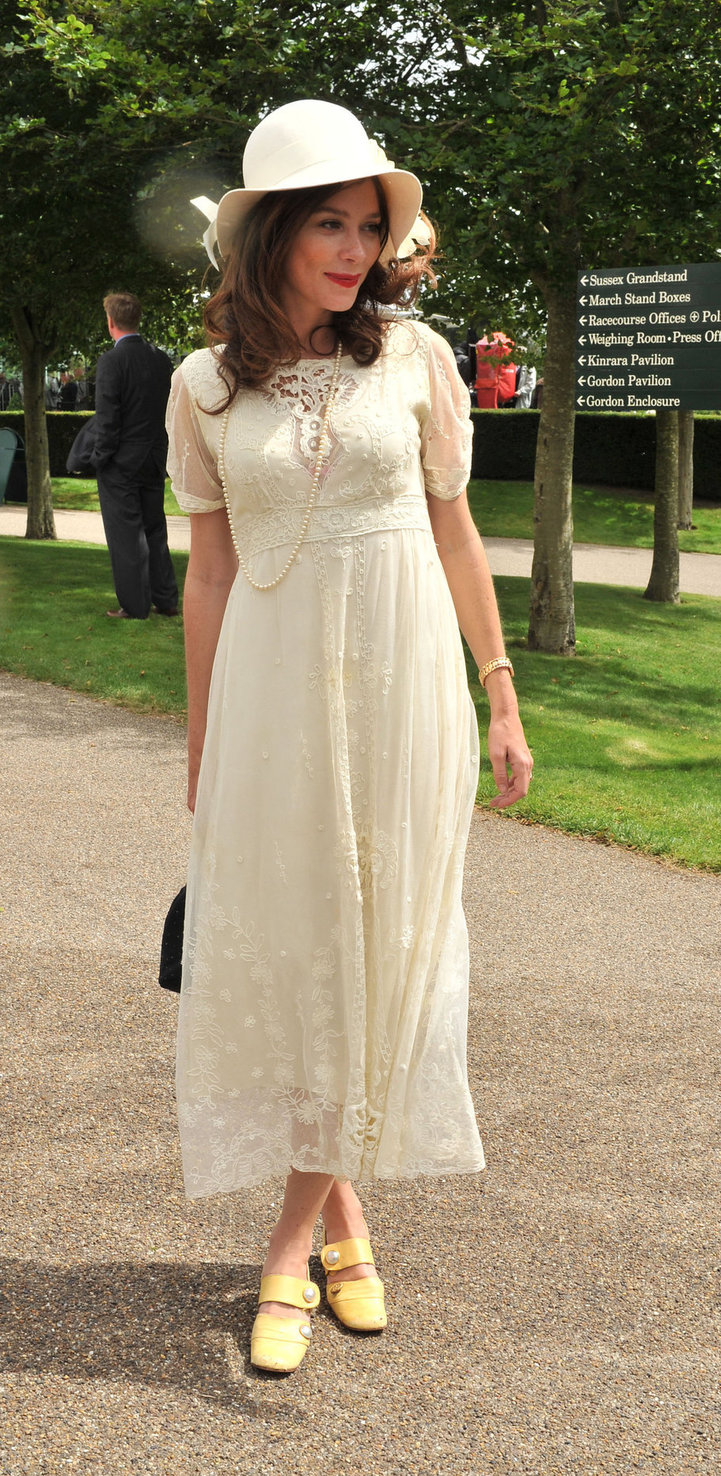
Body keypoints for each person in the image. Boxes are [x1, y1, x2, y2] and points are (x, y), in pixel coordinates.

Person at [166, 98, 533, 1375]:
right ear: (269, 235)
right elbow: (210, 575)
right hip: (270, 695)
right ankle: (342, 1222)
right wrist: (203, 744)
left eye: (369, 228)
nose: (355, 249)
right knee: (301, 948)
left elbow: (454, 533)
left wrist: (499, 690)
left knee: (387, 943)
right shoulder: (202, 385)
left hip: (405, 686)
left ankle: (288, 1244)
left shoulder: (417, 358)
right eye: (329, 223)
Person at [91, 292, 178, 619]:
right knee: (155, 529)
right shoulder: (161, 360)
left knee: (126, 535)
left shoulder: (111, 361)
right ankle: (166, 600)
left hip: (121, 463)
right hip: (153, 459)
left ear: (111, 322)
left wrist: (99, 458)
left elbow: (107, 418)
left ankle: (135, 605)